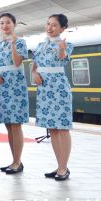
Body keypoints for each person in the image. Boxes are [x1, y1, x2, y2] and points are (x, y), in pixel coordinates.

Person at [33, 14, 73, 181]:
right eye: (48, 24)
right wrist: (34, 73)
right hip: (44, 89)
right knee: (53, 129)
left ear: (62, 28)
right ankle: (59, 165)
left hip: (58, 89)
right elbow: (35, 66)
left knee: (62, 128)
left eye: (54, 25)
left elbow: (62, 59)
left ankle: (64, 167)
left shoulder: (67, 45)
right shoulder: (40, 45)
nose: (49, 27)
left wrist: (61, 48)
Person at [0, 13, 29, 175]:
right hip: (1, 86)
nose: (4, 26)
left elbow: (17, 62)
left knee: (15, 124)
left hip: (15, 85)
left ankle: (17, 161)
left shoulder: (20, 42)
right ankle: (14, 160)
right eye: (1, 23)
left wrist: (13, 44)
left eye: (8, 23)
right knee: (8, 125)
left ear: (14, 24)